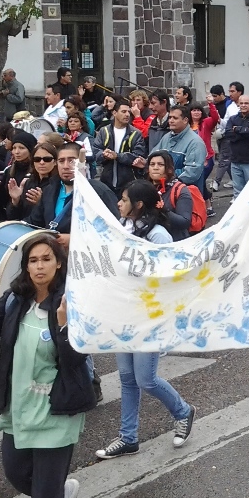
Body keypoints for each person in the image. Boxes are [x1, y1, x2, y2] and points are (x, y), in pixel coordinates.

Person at [0, 232, 92, 498]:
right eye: (33, 260)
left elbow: (75, 360)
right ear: (25, 266)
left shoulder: (71, 302)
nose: (39, 266)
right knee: (16, 473)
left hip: (56, 409)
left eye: (46, 259)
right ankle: (59, 495)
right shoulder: (15, 298)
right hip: (19, 406)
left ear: (59, 263)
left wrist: (63, 326)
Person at [95, 182, 196, 462]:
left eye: (124, 199)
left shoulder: (159, 236)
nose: (118, 203)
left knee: (145, 379)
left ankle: (183, 412)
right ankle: (129, 438)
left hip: (149, 318)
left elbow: (172, 280)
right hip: (124, 314)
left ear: (139, 205)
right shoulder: (123, 228)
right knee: (127, 379)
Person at [94, 98, 146, 194]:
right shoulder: (103, 131)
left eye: (128, 112)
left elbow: (138, 156)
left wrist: (117, 156)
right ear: (114, 113)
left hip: (128, 183)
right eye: (123, 111)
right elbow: (95, 151)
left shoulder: (136, 133)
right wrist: (104, 155)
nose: (127, 115)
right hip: (106, 181)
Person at [143, 151, 195, 241]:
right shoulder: (144, 187)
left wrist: (162, 209)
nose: (155, 168)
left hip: (175, 243)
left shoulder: (180, 189)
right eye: (152, 164)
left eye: (160, 165)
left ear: (169, 169)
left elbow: (184, 222)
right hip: (148, 239)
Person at [153, 105, 207, 187]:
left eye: (175, 118)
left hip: (185, 192)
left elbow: (192, 172)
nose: (170, 121)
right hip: (165, 188)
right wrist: (145, 162)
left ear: (185, 120)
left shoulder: (195, 142)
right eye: (170, 117)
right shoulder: (166, 137)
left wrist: (167, 175)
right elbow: (153, 155)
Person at [223, 96, 249, 198]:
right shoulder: (232, 119)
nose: (243, 105)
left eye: (246, 103)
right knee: (237, 191)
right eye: (241, 103)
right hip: (235, 160)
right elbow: (228, 134)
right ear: (238, 105)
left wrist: (237, 129)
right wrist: (246, 131)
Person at [189, 98, 221, 216]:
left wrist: (211, 104)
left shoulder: (206, 123)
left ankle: (201, 208)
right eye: (193, 110)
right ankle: (208, 206)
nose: (196, 112)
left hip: (206, 159)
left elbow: (215, 118)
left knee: (199, 181)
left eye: (198, 110)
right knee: (199, 182)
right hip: (192, 160)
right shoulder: (186, 125)